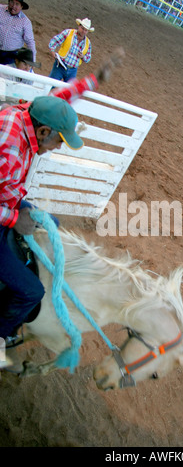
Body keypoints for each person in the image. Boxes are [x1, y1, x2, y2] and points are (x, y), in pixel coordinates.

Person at [0, 48, 124, 350]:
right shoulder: (10, 145)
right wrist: (16, 219)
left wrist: (97, 78)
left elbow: (62, 95)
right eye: (58, 140)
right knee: (31, 291)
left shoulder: (31, 112)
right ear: (43, 132)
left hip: (8, 200)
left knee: (50, 222)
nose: (57, 147)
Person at [48, 18, 94, 82]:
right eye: (82, 28)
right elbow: (54, 41)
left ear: (87, 31)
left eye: (86, 30)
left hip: (73, 70)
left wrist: (83, 57)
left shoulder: (87, 43)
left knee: (68, 90)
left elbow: (88, 58)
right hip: (60, 65)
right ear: (79, 26)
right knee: (50, 83)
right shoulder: (68, 33)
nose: (83, 31)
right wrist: (52, 51)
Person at [0, 0, 36, 65]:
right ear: (8, 2)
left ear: (21, 6)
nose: (13, 6)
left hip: (11, 55)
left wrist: (32, 61)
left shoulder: (25, 22)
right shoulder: (0, 9)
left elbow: (30, 42)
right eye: (12, 2)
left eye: (17, 4)